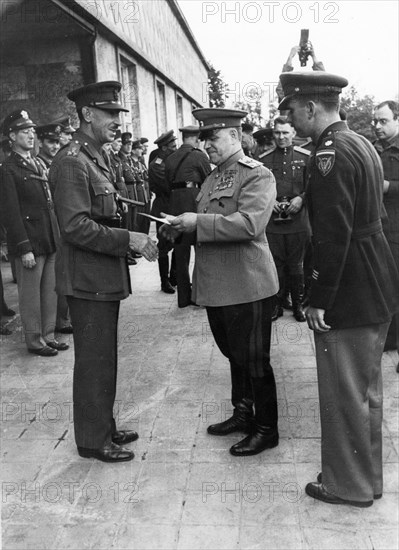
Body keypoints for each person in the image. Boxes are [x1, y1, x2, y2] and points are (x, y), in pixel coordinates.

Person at [279, 71, 399, 506]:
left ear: (311, 107)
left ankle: (346, 486)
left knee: (344, 393)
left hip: (349, 288)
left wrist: (318, 298)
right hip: (376, 280)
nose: (290, 120)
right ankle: (367, 479)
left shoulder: (327, 154)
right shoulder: (361, 142)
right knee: (366, 392)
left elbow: (332, 236)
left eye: (292, 111)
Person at [49, 81, 158, 462]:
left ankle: (103, 425)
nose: (117, 121)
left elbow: (106, 212)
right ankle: (93, 441)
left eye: (118, 113)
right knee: (95, 360)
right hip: (86, 280)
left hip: (101, 276)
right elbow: (75, 226)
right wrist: (127, 239)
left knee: (104, 357)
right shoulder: (72, 161)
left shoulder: (96, 156)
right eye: (110, 114)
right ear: (87, 114)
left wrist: (126, 241)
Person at [161, 108, 279, 456]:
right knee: (233, 353)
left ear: (233, 135)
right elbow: (205, 223)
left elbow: (250, 224)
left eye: (212, 137)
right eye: (203, 138)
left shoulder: (257, 175)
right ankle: (243, 413)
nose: (205, 144)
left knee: (254, 358)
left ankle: (266, 428)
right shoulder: (213, 177)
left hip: (247, 282)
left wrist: (196, 221)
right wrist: (177, 229)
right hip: (217, 284)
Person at [0, 110, 67, 356]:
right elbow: (10, 212)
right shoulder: (8, 168)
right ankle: (34, 340)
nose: (31, 135)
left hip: (48, 237)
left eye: (31, 131)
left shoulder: (37, 162)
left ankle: (48, 335)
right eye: (24, 131)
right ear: (11, 136)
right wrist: (23, 246)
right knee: (30, 296)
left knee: (50, 290)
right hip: (30, 241)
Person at [260, 116, 311, 322]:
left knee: (296, 264)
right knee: (276, 263)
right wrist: (268, 201)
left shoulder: (305, 157)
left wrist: (301, 198)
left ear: (293, 133)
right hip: (273, 221)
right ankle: (277, 304)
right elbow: (259, 188)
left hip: (297, 219)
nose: (281, 137)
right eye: (277, 133)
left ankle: (298, 305)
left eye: (285, 133)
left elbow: (313, 185)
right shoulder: (264, 160)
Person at [165, 125, 211, 307]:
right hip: (195, 202)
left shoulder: (170, 158)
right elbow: (209, 179)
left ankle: (183, 297)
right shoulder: (200, 156)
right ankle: (200, 295)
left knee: (181, 252)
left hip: (175, 203)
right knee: (201, 251)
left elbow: (167, 182)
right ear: (196, 139)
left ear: (183, 137)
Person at [36, 123, 73, 334]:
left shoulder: (56, 162)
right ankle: (57, 321)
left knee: (64, 273)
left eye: (57, 142)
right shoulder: (40, 164)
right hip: (51, 225)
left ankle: (62, 318)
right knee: (55, 277)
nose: (54, 146)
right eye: (50, 141)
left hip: (62, 222)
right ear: (40, 142)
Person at [373, 101, 399, 372]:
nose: (377, 126)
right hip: (379, 228)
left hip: (397, 229)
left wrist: (387, 187)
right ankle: (390, 340)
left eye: (383, 121)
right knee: (386, 286)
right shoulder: (373, 148)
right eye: (375, 122)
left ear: (397, 120)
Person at [149, 130, 178, 294]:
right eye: (173, 146)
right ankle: (164, 281)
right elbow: (167, 186)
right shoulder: (158, 164)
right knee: (164, 245)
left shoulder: (170, 160)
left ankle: (174, 277)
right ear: (164, 147)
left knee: (177, 242)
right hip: (163, 207)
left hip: (172, 205)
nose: (176, 148)